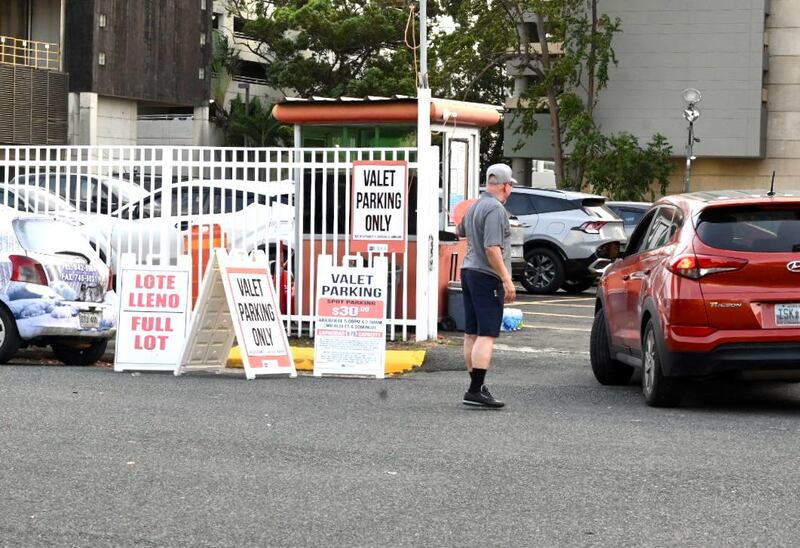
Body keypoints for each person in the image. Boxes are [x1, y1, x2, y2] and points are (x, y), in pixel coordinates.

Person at [456, 163, 516, 408]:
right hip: (486, 275)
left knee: (471, 332)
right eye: (511, 184)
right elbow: (492, 248)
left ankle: (476, 386)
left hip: (468, 271)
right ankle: (475, 389)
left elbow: (460, 230)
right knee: (486, 333)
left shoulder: (475, 206)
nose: (511, 188)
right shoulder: (495, 209)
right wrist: (506, 279)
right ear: (504, 185)